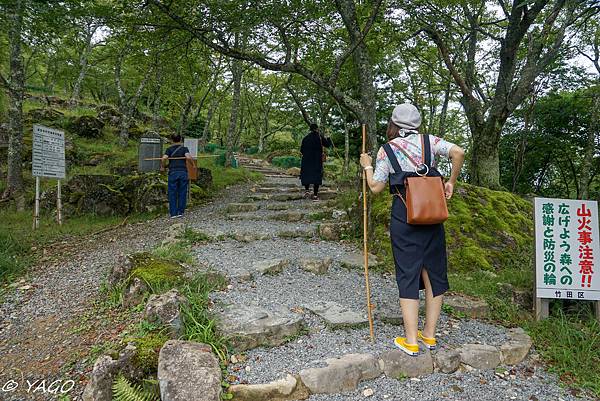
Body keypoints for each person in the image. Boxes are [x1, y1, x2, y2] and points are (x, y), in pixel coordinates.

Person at [360, 103, 465, 356]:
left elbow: (375, 188)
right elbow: (459, 152)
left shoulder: (388, 150)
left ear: (394, 124)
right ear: (417, 124)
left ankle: (411, 341)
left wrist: (367, 165)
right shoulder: (430, 142)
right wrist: (450, 182)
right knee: (434, 272)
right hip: (432, 214)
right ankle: (428, 335)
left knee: (408, 273)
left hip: (404, 216)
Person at [161, 134, 193, 218]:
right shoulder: (184, 148)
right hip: (183, 172)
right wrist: (192, 164)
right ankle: (180, 212)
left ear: (172, 140)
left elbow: (164, 158)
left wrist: (163, 166)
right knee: (182, 192)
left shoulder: (169, 149)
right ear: (181, 140)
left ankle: (173, 213)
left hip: (173, 173)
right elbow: (188, 157)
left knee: (172, 193)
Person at [300, 123, 333, 201]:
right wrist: (328, 137)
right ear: (317, 129)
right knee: (316, 175)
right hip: (317, 160)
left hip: (306, 160)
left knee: (306, 174)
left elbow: (301, 150)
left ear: (310, 129)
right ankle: (315, 195)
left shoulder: (305, 138)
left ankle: (307, 191)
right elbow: (328, 145)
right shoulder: (320, 137)